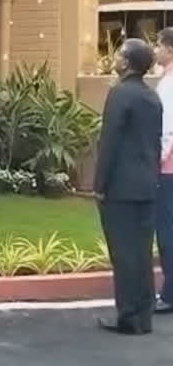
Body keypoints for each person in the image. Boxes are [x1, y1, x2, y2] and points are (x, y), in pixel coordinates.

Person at [94, 38, 161, 335]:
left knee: (123, 254)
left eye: (120, 54)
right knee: (142, 253)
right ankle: (143, 316)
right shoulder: (151, 97)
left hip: (121, 187)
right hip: (147, 185)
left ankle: (129, 317)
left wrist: (99, 184)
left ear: (128, 62)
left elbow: (109, 142)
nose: (116, 58)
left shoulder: (120, 93)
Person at [154, 28, 173, 315]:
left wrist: (157, 159)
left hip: (169, 170)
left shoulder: (168, 84)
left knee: (167, 230)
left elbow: (166, 127)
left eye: (158, 45)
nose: (155, 51)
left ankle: (170, 294)